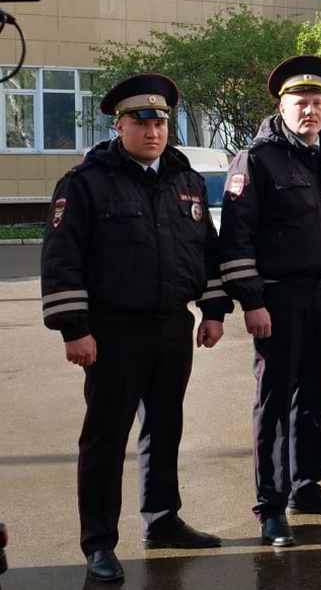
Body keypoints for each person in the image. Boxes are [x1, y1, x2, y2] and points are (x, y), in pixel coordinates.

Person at [41, 74, 230, 583]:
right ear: (119, 124)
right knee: (105, 439)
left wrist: (213, 311)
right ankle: (99, 543)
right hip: (113, 330)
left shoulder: (183, 179)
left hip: (171, 326)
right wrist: (73, 328)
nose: (153, 130)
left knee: (166, 428)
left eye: (161, 121)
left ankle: (162, 519)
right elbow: (62, 261)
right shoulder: (86, 181)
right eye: (142, 121)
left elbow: (205, 250)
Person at [218, 55, 321, 547]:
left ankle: (308, 485)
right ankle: (271, 506)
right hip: (278, 298)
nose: (310, 110)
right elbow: (235, 238)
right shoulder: (257, 159)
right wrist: (251, 301)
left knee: (315, 395)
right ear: (281, 105)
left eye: (318, 102)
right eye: (300, 102)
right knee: (275, 402)